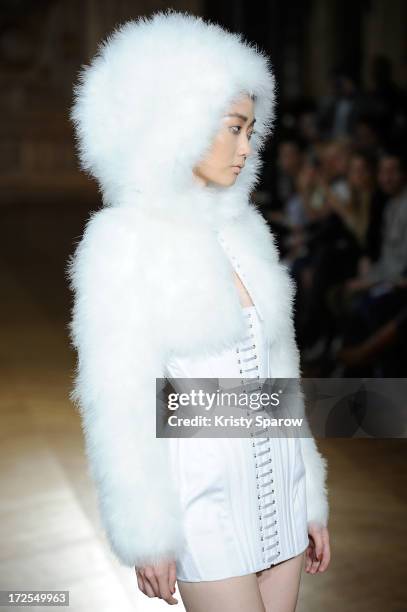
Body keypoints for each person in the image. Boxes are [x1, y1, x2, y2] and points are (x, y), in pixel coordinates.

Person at [66, 10, 330, 611]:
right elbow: (119, 401)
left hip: (281, 491)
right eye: (233, 128)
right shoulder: (122, 241)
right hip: (201, 508)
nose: (246, 148)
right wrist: (146, 531)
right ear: (177, 123)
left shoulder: (247, 231)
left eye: (251, 131)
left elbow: (279, 379)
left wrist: (309, 496)